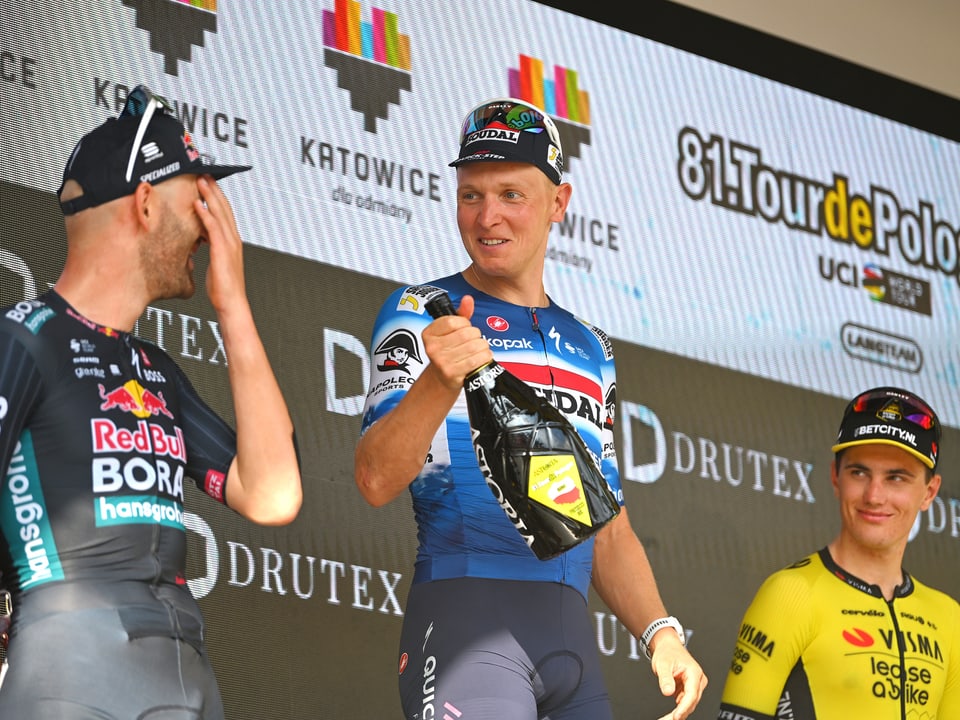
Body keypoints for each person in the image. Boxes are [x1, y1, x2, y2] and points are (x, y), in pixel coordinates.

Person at [354, 97, 707, 720]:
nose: (487, 216)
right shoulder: (422, 310)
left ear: (558, 203)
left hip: (574, 649)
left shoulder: (591, 347)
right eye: (470, 195)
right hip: (468, 626)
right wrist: (440, 380)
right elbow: (376, 479)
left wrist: (661, 633)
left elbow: (608, 524)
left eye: (511, 194)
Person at [0, 84, 303, 719]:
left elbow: (274, 495)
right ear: (143, 203)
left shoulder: (155, 372)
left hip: (185, 673)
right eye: (200, 198)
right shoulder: (22, 338)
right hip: (69, 667)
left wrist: (234, 308)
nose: (211, 225)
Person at [717, 386, 960, 719]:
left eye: (896, 478)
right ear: (835, 477)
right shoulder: (790, 594)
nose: (874, 496)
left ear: (929, 492)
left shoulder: (948, 618)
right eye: (859, 473)